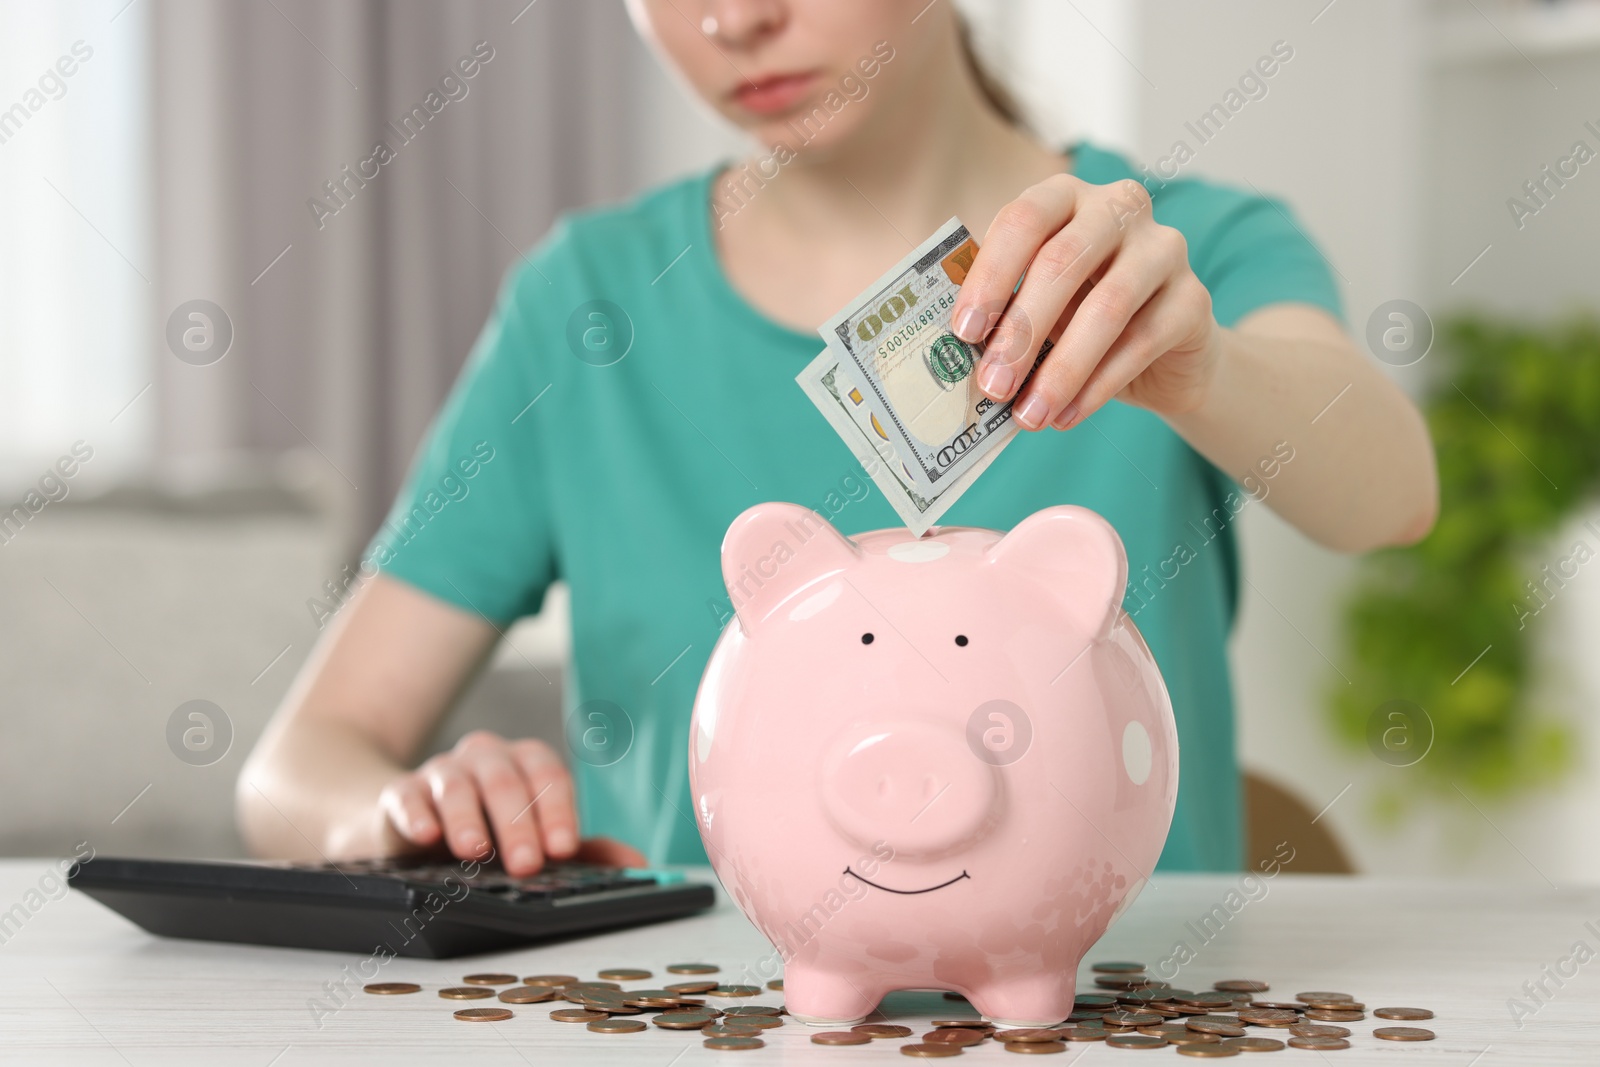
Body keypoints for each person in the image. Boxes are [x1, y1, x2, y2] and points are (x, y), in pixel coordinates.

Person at [237, 0, 1437, 880]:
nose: (734, 18)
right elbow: (296, 767)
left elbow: (1387, 495)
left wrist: (1202, 368)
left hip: (1106, 1018)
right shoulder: (585, 306)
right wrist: (401, 810)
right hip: (691, 1014)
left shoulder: (1185, 254)